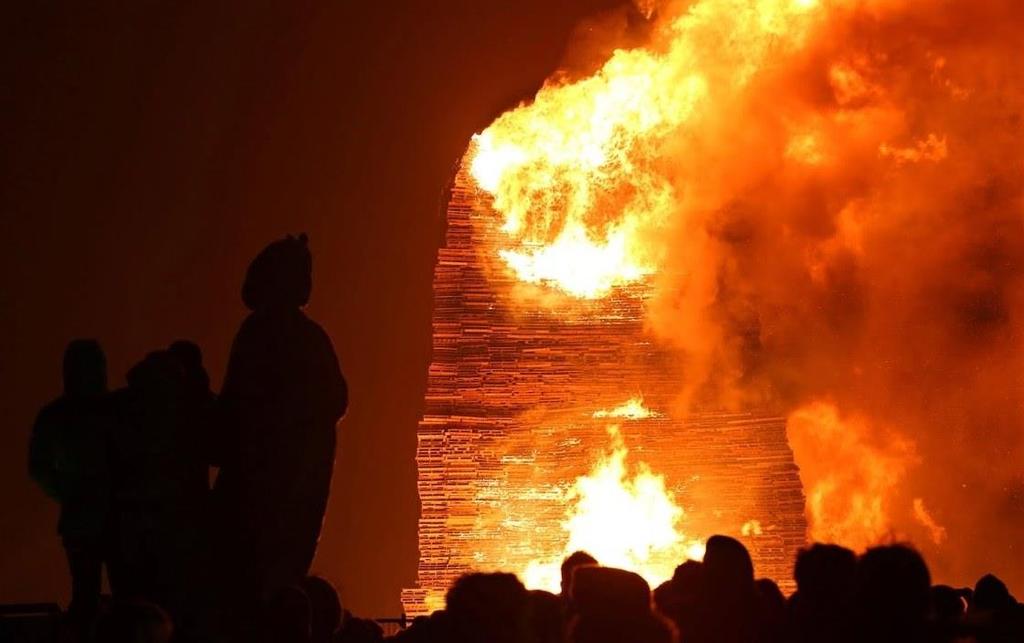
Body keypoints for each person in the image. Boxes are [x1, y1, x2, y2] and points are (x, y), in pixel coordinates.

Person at [214, 234, 348, 608]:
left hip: (272, 477)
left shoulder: (266, 334)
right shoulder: (298, 336)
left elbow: (237, 404)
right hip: (286, 479)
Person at [28, 339, 114, 638]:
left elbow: (38, 468)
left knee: (86, 597)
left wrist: (69, 492)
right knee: (122, 598)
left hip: (84, 520)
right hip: (115, 516)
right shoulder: (116, 411)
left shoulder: (54, 416)